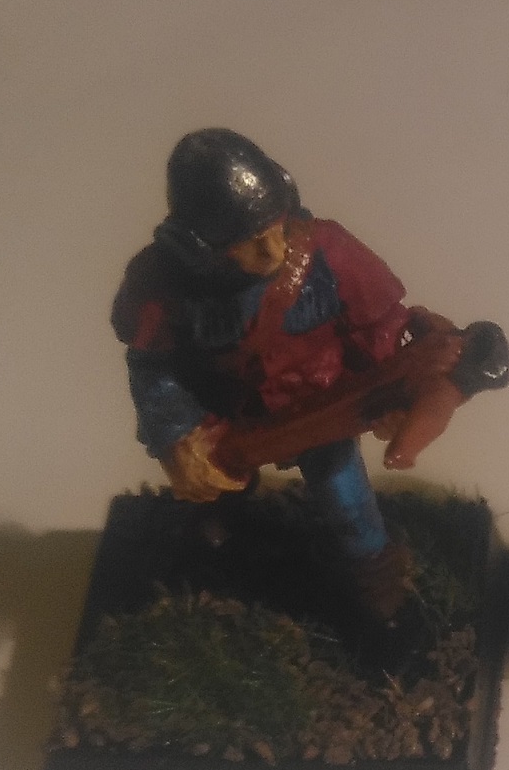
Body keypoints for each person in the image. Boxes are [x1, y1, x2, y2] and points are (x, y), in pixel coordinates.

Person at [111, 127, 459, 626]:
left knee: (343, 493)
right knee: (212, 492)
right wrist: (176, 434)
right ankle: (216, 535)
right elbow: (152, 364)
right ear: (198, 246)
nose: (273, 251)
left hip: (319, 408)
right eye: (251, 242)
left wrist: (387, 394)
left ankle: (375, 570)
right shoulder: (162, 283)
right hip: (224, 415)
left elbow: (380, 322)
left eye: (277, 228)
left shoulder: (329, 253)